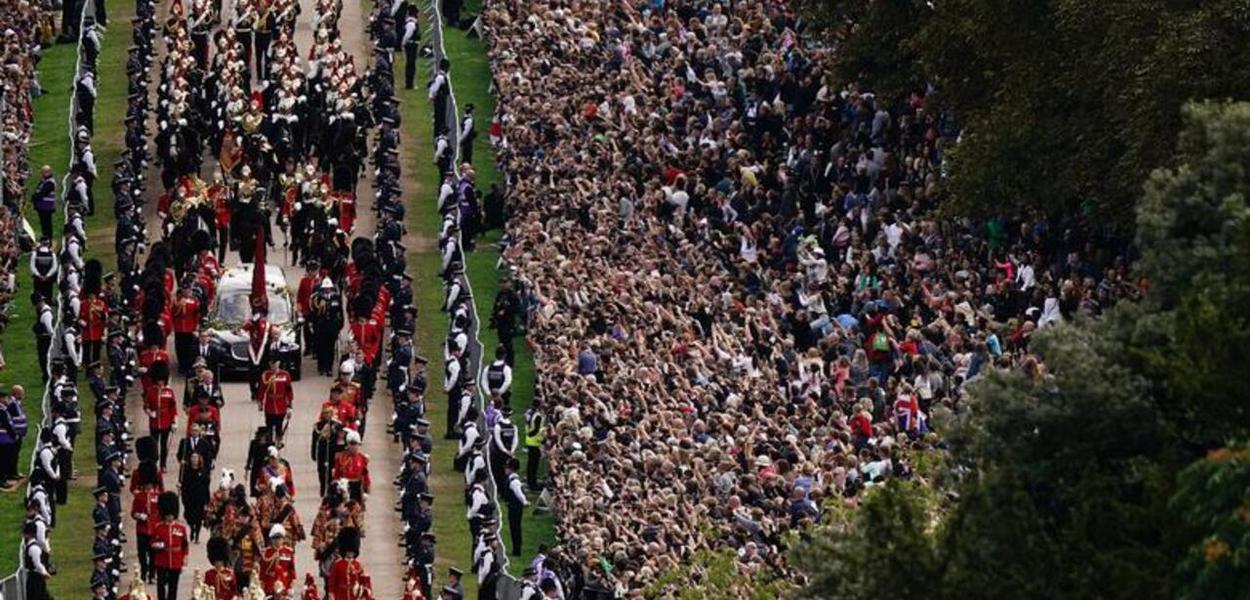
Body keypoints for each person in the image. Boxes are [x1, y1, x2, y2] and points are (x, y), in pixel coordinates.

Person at [150, 491, 189, 600]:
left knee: (173, 587)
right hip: (162, 560)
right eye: (167, 515)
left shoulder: (181, 528)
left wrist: (184, 559)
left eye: (171, 515)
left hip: (176, 561)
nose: (170, 517)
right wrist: (157, 545)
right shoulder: (158, 527)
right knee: (161, 585)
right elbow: (152, 542)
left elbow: (185, 545)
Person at [258, 356, 294, 446]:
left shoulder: (285, 375)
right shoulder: (266, 375)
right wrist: (260, 401)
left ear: (279, 363)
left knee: (279, 425)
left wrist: (290, 405)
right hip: (269, 405)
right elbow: (262, 389)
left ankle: (279, 441)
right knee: (269, 425)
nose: (273, 365)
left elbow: (289, 391)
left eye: (275, 363)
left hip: (281, 405)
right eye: (271, 363)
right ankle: (270, 442)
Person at [180, 451, 210, 543]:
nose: (194, 459)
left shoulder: (203, 471)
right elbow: (183, 484)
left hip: (200, 498)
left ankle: (197, 535)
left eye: (196, 458)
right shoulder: (186, 471)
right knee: (189, 516)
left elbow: (206, 486)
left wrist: (207, 501)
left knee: (199, 517)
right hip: (189, 497)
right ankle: (192, 528)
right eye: (192, 457)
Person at [503, 458, 527, 556]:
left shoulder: (514, 481)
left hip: (515, 507)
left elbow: (519, 494)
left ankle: (517, 550)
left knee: (515, 528)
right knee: (514, 527)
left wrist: (524, 502)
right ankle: (516, 548)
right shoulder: (512, 479)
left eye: (507, 468)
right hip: (513, 506)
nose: (505, 470)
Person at [32, 165, 56, 240]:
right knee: (43, 223)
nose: (42, 174)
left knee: (47, 224)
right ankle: (45, 236)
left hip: (47, 207)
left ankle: (48, 238)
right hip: (42, 206)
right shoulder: (44, 181)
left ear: (48, 172)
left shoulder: (50, 182)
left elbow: (42, 193)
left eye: (44, 172)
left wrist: (35, 197)